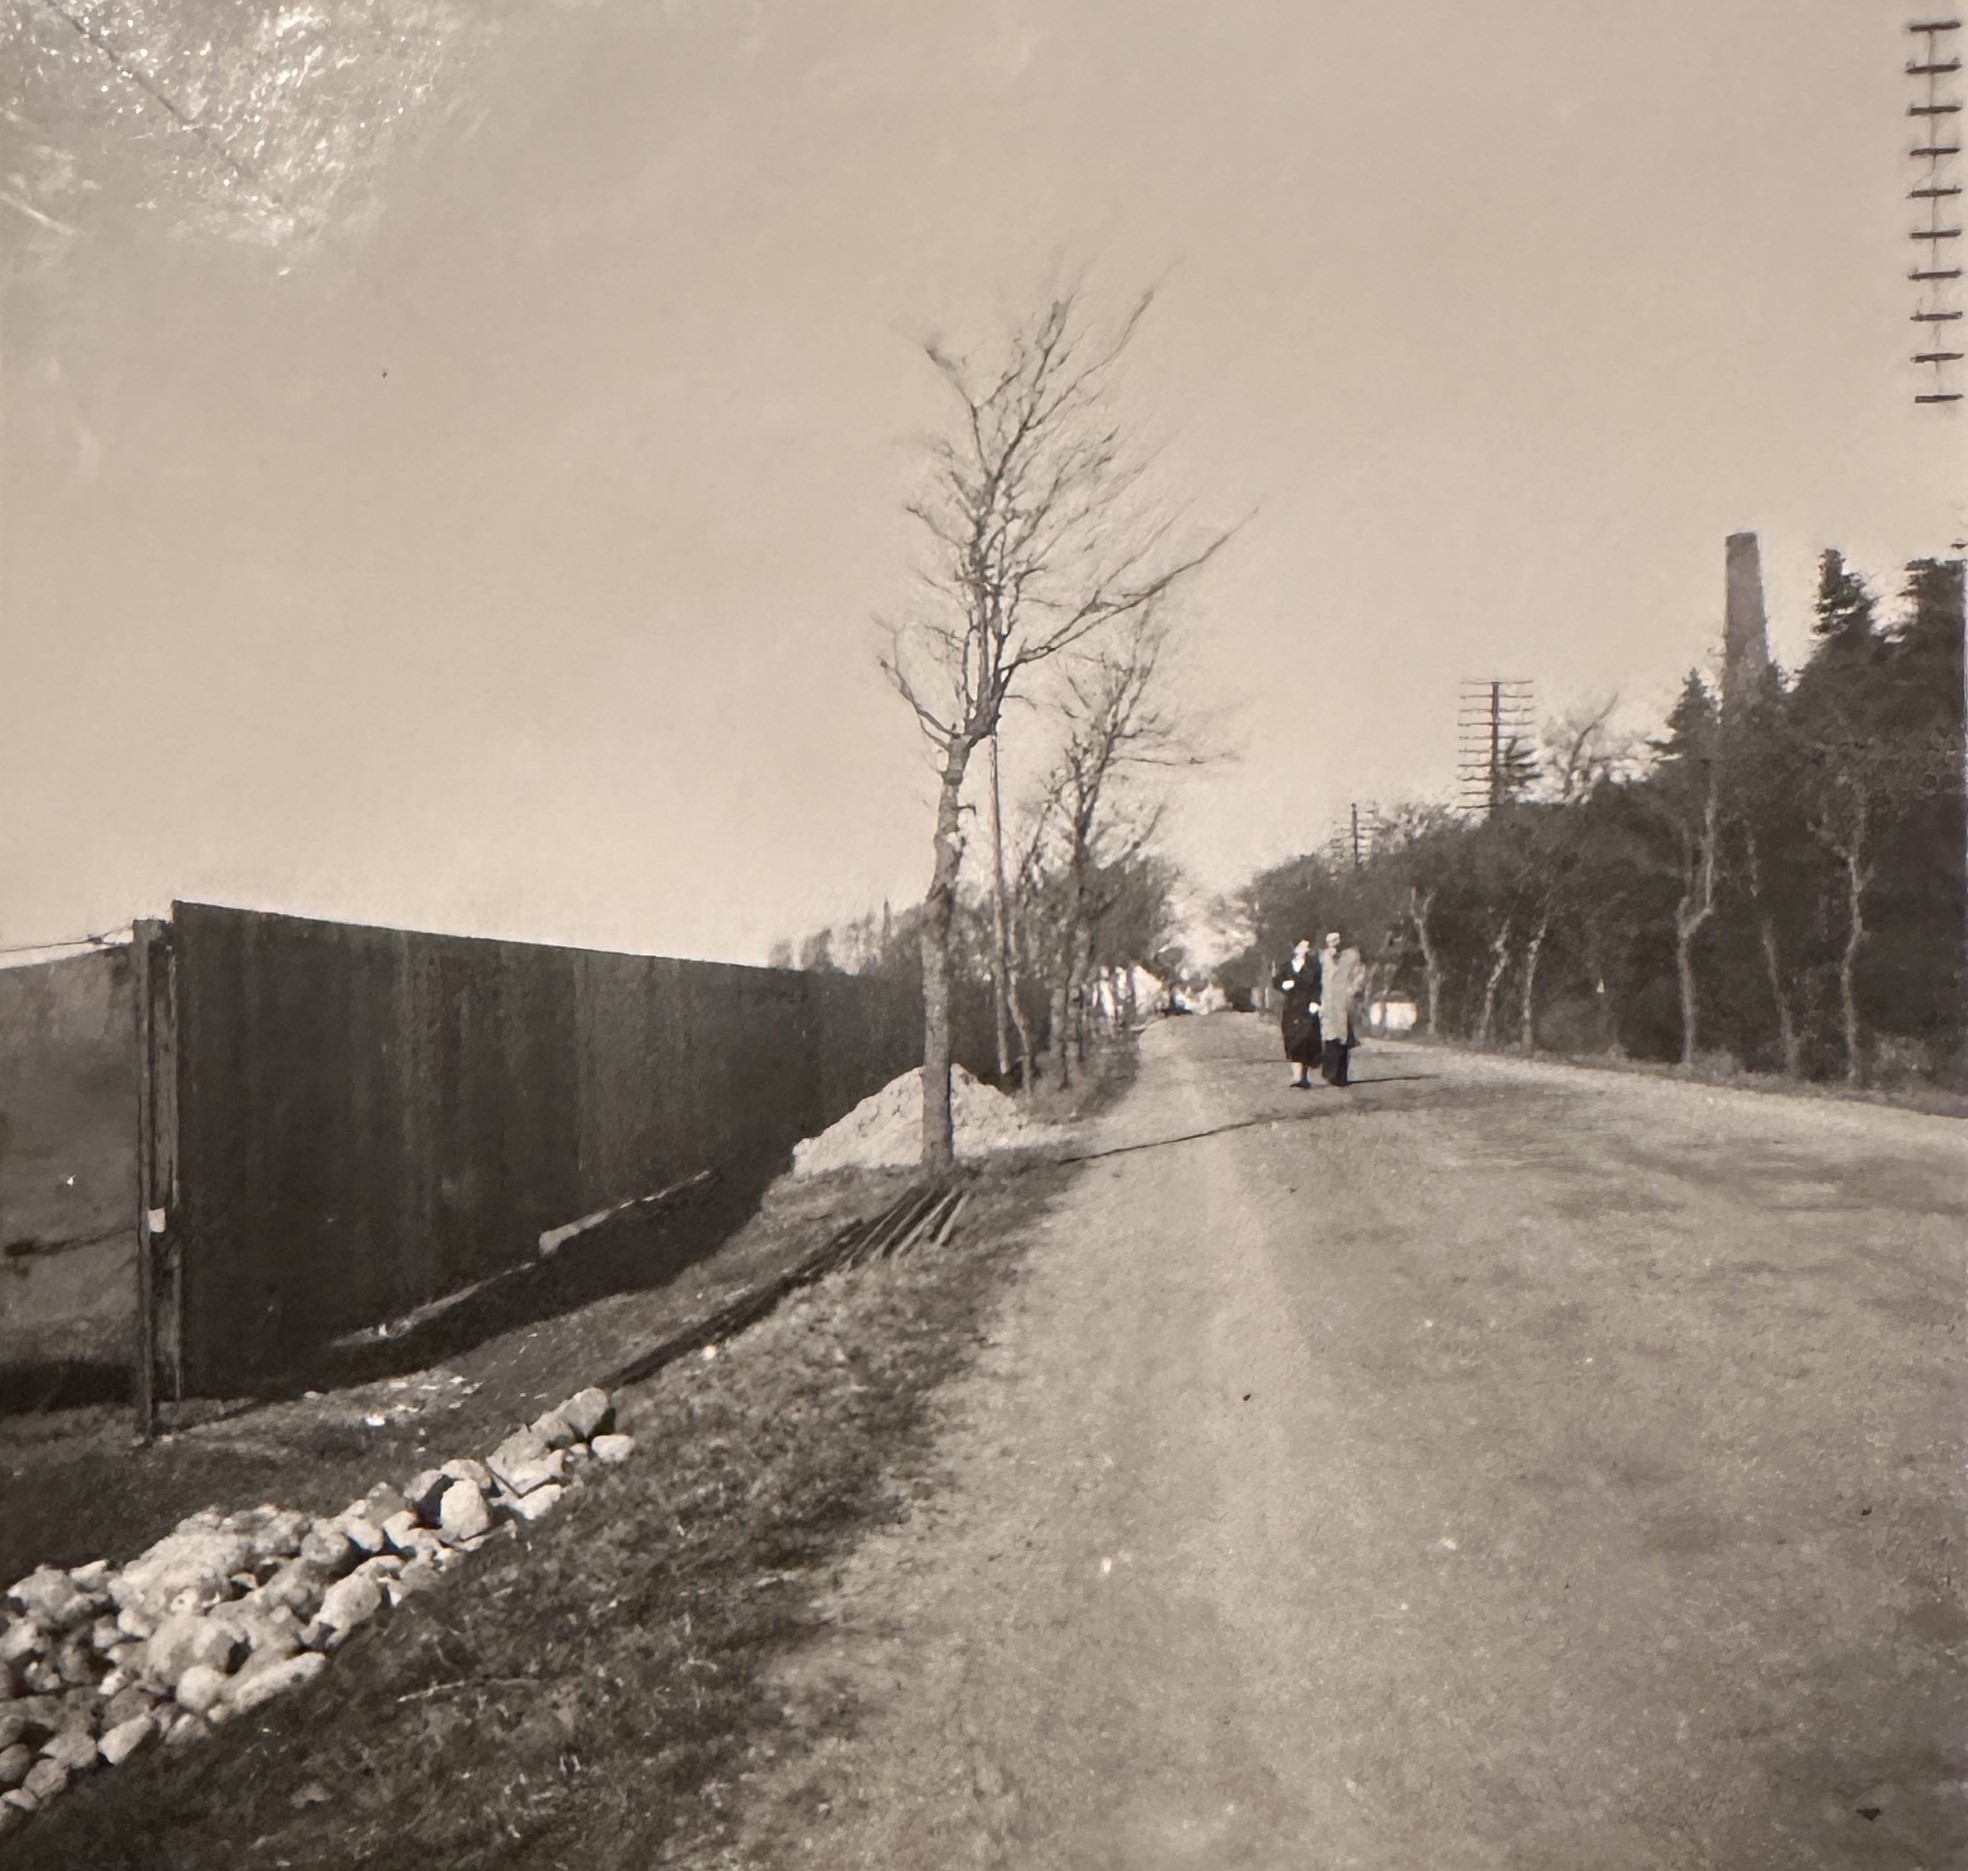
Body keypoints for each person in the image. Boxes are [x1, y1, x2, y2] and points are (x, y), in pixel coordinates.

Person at [1316, 929, 1366, 1086]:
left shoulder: (1352, 955)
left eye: (1336, 940)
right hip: (1327, 1000)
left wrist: (1352, 989)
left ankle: (1341, 1075)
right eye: (1330, 941)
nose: (1334, 944)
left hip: (1344, 1000)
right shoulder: (1323, 956)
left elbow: (1360, 974)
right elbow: (1317, 977)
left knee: (1343, 1038)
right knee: (1329, 1038)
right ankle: (1330, 1073)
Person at [1273, 938, 1322, 1088]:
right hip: (1291, 1007)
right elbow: (1276, 982)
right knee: (1292, 1039)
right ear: (1295, 948)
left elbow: (1318, 986)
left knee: (1307, 1039)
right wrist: (1283, 985)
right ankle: (1296, 1076)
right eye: (1301, 946)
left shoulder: (1313, 966)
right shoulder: (1286, 967)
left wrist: (1315, 1002)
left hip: (1307, 1006)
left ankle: (1304, 1076)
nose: (1305, 949)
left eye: (1307, 947)